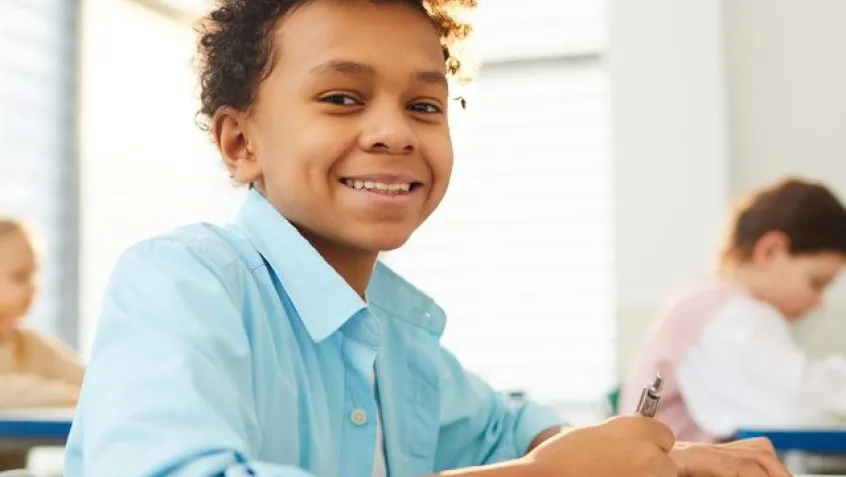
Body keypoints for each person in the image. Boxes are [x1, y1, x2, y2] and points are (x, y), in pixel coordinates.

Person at [64, 0, 789, 476]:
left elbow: (505, 430)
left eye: (423, 105)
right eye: (341, 98)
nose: (394, 131)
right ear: (239, 142)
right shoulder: (182, 285)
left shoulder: (395, 336)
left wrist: (659, 457)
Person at [622, 177, 846, 443]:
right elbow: (793, 408)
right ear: (770, 251)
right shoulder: (727, 316)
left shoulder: (709, 302)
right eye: (816, 282)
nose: (818, 302)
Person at [0, 219, 84, 409]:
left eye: (34, 273)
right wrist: (71, 396)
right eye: (19, 277)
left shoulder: (31, 346)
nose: (32, 287)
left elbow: (93, 382)